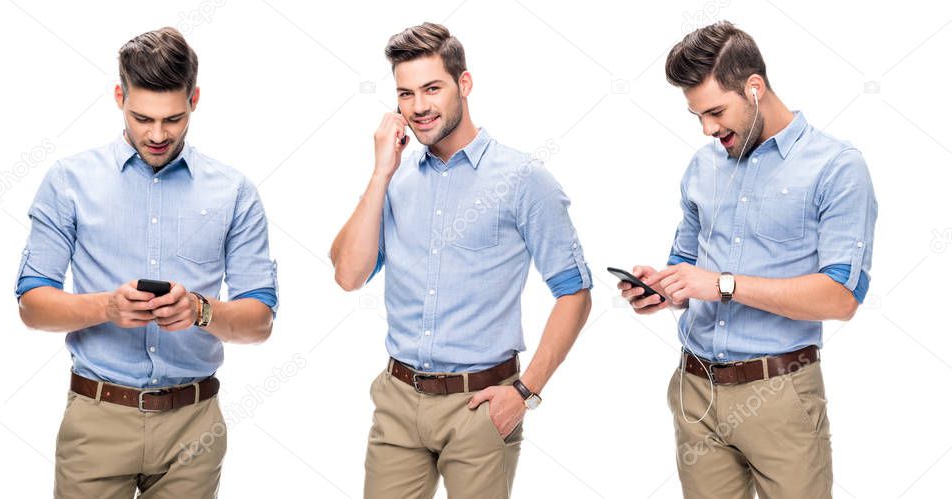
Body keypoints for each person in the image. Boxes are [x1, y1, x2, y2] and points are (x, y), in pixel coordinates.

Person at [330, 22, 592, 499]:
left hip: (482, 405)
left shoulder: (523, 179)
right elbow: (348, 275)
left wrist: (524, 393)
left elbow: (574, 294)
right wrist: (379, 173)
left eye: (432, 88)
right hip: (397, 402)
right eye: (406, 94)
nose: (420, 107)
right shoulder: (396, 176)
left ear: (464, 84)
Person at [15, 27, 278, 498]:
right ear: (119, 96)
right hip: (97, 421)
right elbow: (33, 306)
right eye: (142, 118)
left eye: (173, 119)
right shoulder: (69, 181)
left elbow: (259, 323)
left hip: (194, 428)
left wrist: (201, 311)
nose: (157, 135)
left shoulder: (234, 191)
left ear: (194, 99)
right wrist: (106, 308)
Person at [620, 21, 877, 499]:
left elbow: (841, 298)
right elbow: (688, 268)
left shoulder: (837, 167)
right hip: (695, 391)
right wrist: (662, 288)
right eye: (697, 115)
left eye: (716, 111)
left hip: (780, 395)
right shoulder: (704, 164)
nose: (708, 128)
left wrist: (721, 284)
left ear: (754, 88)